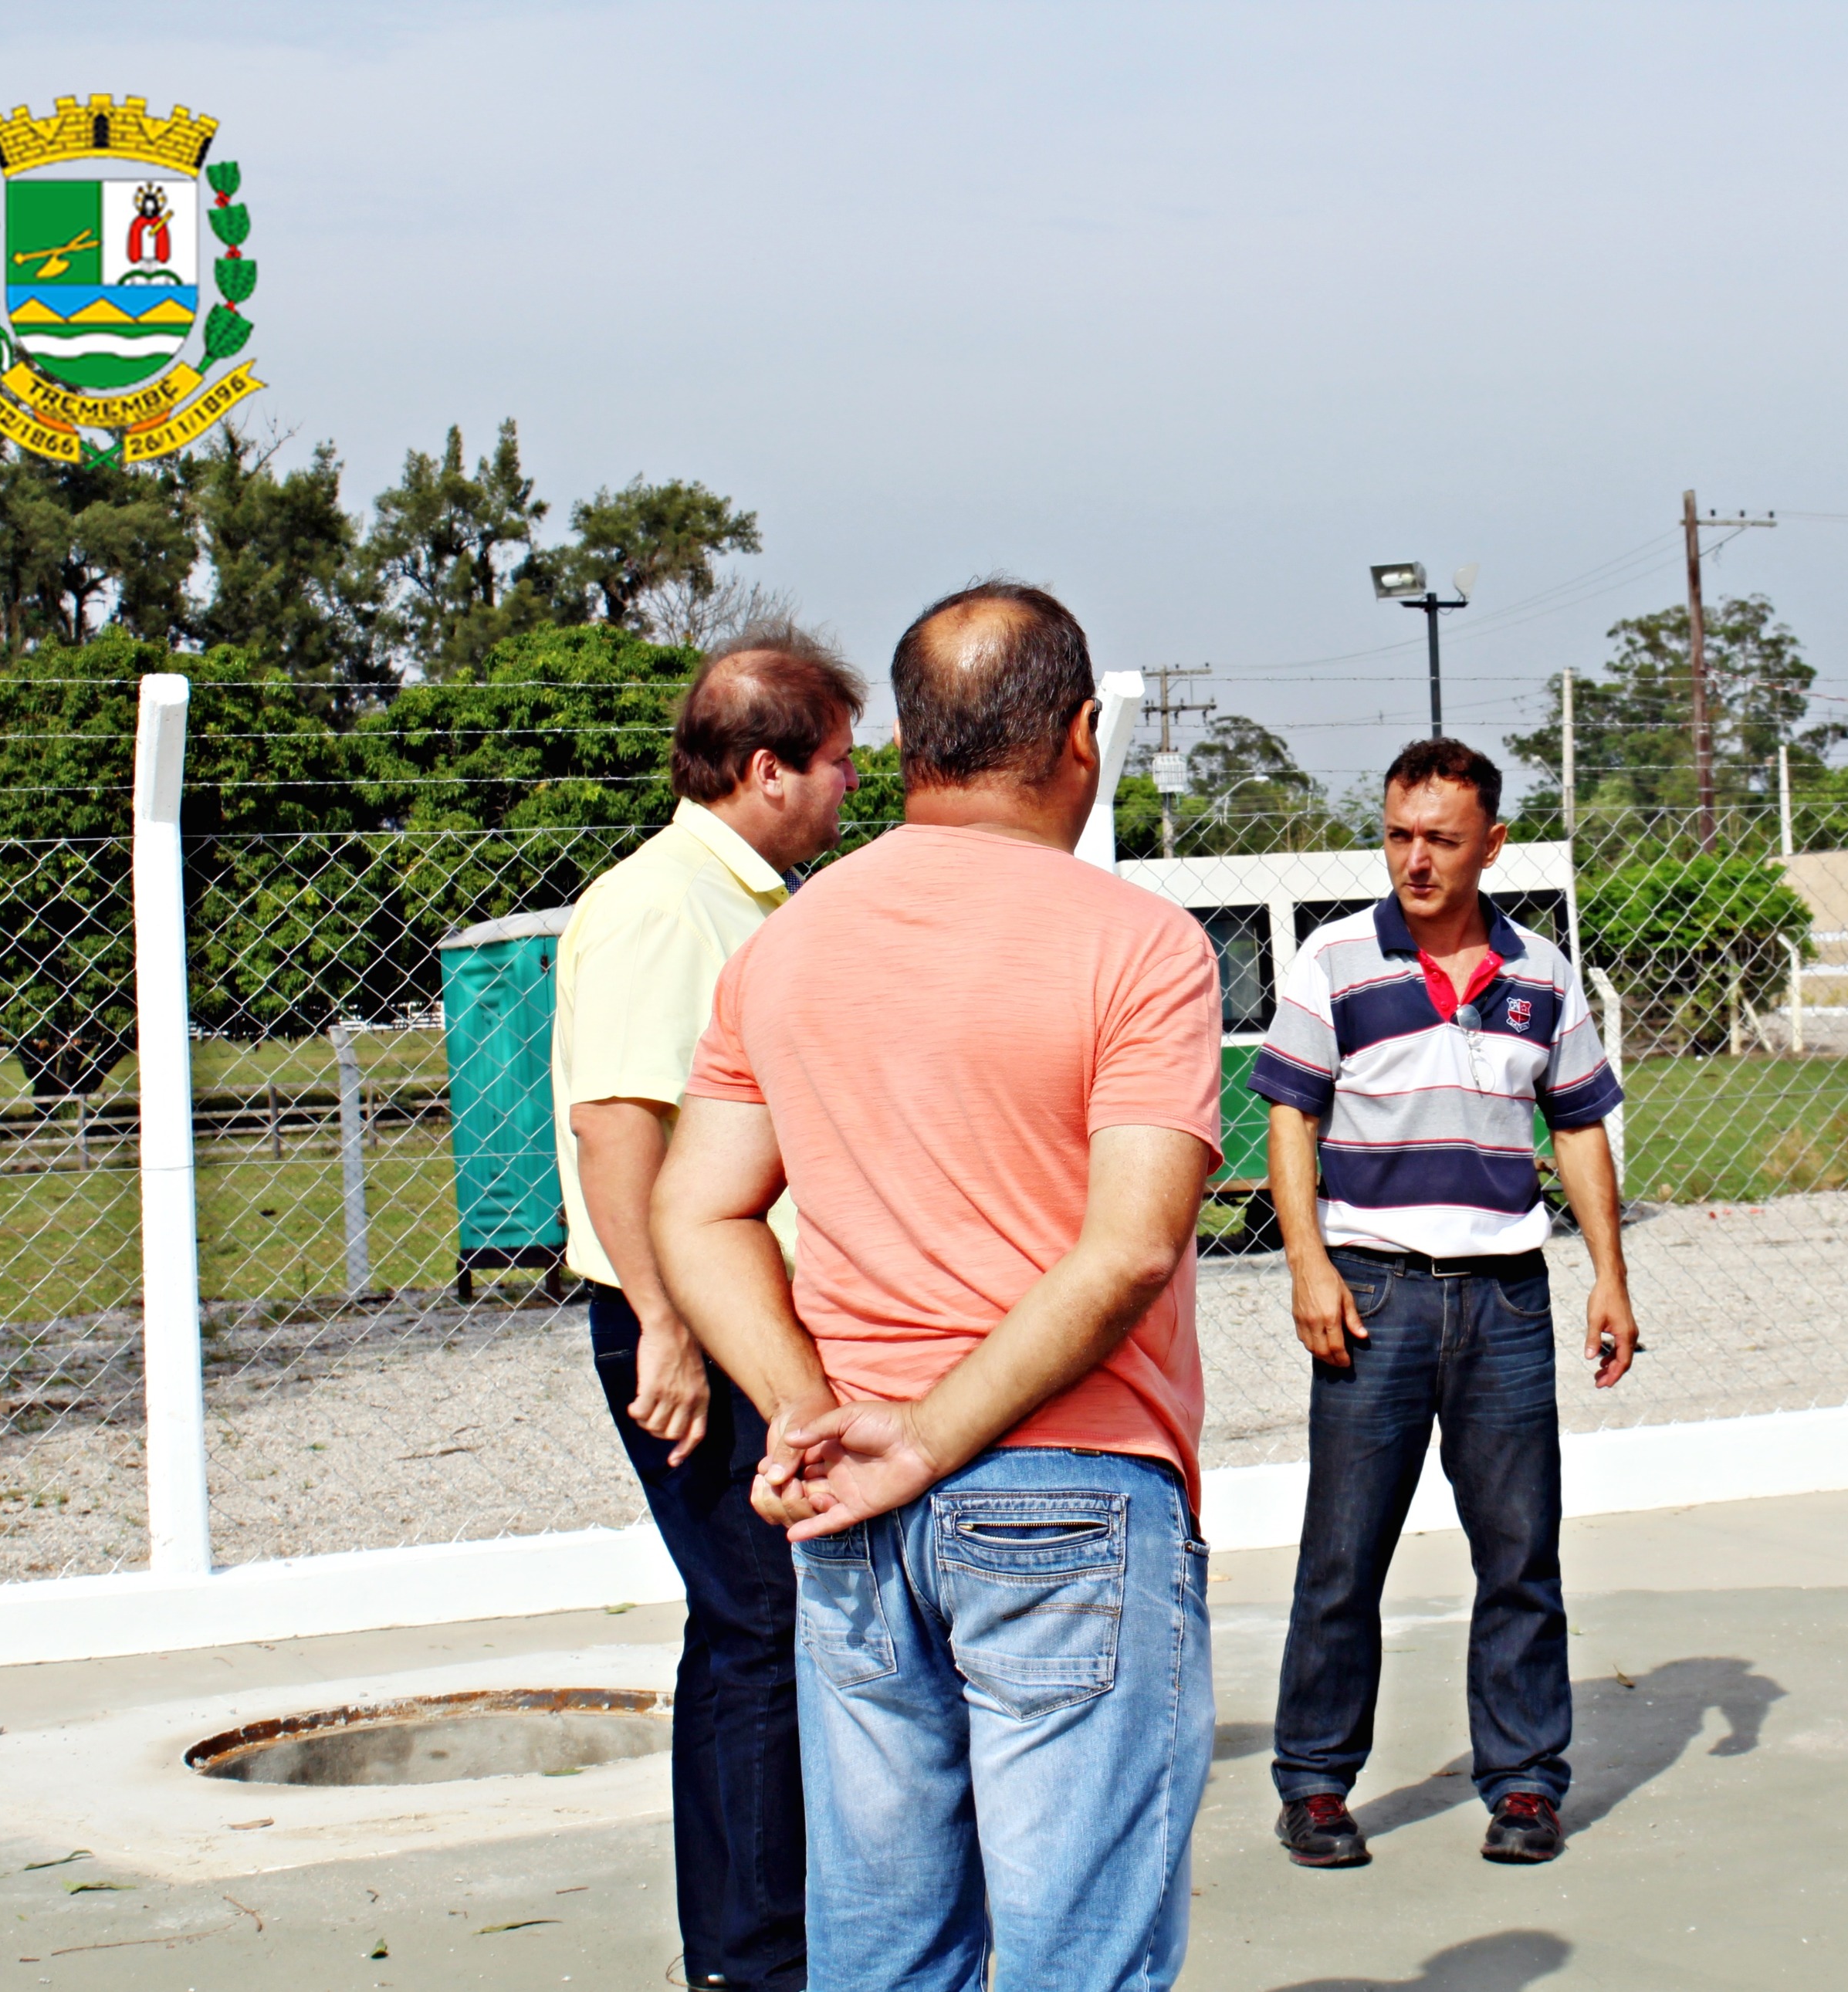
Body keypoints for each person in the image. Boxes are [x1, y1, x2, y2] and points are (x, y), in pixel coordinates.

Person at [651, 580, 1222, 1992]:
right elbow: (1129, 1245)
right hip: (1068, 1484)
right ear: (1080, 737)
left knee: (886, 1950)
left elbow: (696, 1206)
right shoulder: (1140, 944)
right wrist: (928, 1433)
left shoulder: (786, 946)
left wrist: (809, 1410)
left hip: (851, 1501)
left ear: (909, 744)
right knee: (1078, 1954)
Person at [1247, 738, 1637, 1872]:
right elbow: (1289, 1117)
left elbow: (1577, 1126)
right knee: (1342, 1557)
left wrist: (1610, 1275)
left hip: (1506, 1303)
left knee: (1520, 1556)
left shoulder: (1542, 973)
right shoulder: (1334, 960)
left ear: (1492, 845)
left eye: (1442, 840)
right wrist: (1307, 1265)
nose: (1415, 860)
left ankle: (1524, 1781)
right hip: (1373, 1297)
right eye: (1398, 835)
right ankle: (1316, 1784)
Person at [551, 624, 865, 1992]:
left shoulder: (751, 901)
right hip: (686, 1322)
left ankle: (769, 1934)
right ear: (765, 767)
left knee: (763, 1621)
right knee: (756, 1622)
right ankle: (751, 1957)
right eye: (838, 760)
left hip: (738, 1312)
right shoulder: (662, 905)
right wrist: (669, 1328)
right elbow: (616, 1127)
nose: (851, 782)